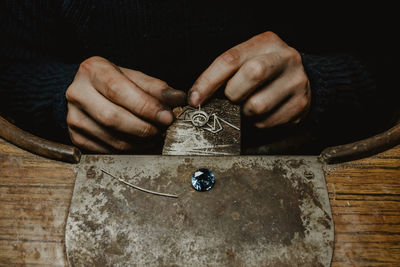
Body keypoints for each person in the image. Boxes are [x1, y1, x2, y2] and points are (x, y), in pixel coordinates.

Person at [0, 1, 397, 154]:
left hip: (304, 159)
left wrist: (322, 82)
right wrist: (58, 93)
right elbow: (12, 63)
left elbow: (386, 58)